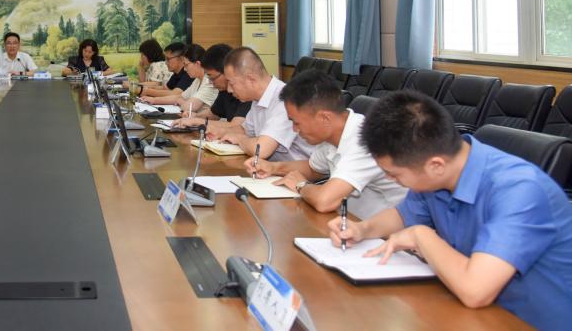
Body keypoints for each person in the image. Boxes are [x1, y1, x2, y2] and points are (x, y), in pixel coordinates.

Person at [328, 91, 572, 330]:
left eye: (394, 174)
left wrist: (421, 235)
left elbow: (475, 291)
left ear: (436, 165)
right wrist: (362, 229)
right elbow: (403, 215)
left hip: (528, 321)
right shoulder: (438, 174)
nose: (391, 180)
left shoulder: (520, 190)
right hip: (468, 309)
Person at [244, 71, 407, 218]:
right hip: (349, 222)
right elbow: (313, 168)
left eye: (297, 122)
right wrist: (273, 167)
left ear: (324, 118)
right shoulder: (333, 134)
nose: (294, 129)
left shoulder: (364, 142)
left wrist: (301, 185)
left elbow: (325, 201)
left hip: (384, 234)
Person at [209, 46, 314, 161]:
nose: (229, 90)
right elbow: (246, 130)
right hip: (271, 167)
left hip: (297, 170)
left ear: (251, 79)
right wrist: (221, 133)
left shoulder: (284, 100)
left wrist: (240, 139)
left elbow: (261, 150)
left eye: (232, 83)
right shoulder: (258, 98)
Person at [171, 44, 249, 132]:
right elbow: (214, 113)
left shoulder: (247, 92)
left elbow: (236, 126)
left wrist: (197, 121)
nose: (211, 83)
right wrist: (195, 116)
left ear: (226, 71)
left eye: (212, 77)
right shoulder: (224, 90)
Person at [140, 43, 217, 116]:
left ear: (197, 64)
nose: (185, 69)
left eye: (186, 65)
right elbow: (179, 96)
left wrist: (180, 101)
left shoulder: (209, 81)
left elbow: (188, 107)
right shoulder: (197, 80)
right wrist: (154, 100)